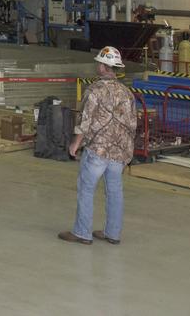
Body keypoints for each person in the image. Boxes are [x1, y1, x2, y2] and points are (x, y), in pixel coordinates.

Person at [60, 46, 136, 245]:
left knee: (86, 188)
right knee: (114, 191)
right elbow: (132, 123)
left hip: (98, 149)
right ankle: (113, 233)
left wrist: (75, 144)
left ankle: (82, 233)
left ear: (103, 67)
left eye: (98, 63)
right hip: (119, 150)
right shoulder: (127, 92)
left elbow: (85, 120)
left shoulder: (95, 90)